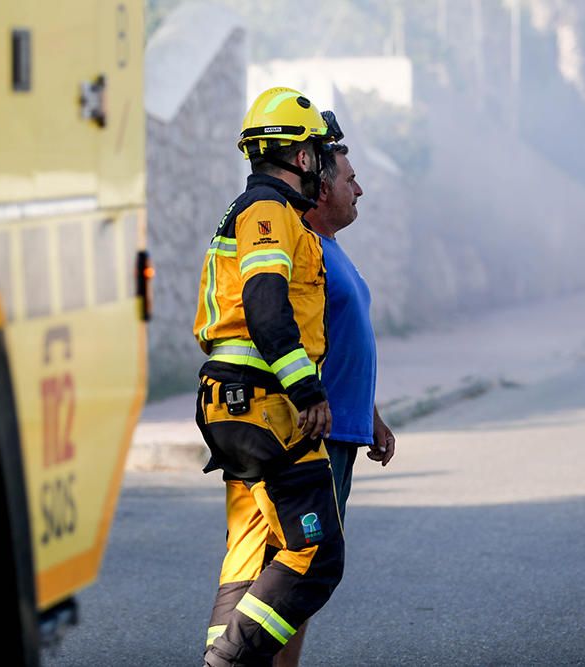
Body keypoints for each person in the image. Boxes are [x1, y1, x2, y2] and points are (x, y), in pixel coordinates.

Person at [193, 87, 343, 667]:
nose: (326, 163)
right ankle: (228, 663)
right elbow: (265, 303)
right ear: (302, 159)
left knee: (249, 558)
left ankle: (223, 656)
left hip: (234, 405)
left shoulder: (266, 213)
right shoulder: (267, 212)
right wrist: (307, 389)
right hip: (266, 407)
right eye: (321, 152)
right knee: (316, 553)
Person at [273, 144, 396, 667]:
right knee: (299, 566)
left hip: (344, 430)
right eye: (350, 178)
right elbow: (297, 339)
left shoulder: (333, 250)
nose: (359, 189)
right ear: (322, 189)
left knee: (308, 569)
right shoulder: (308, 251)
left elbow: (341, 341)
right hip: (315, 434)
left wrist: (371, 415)